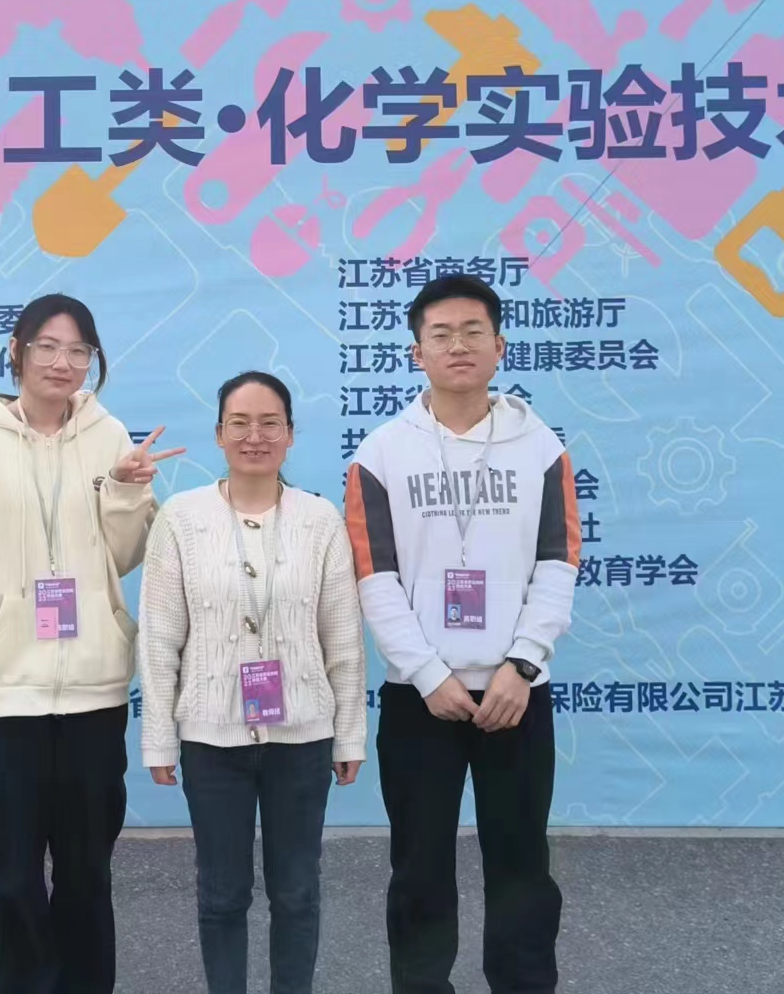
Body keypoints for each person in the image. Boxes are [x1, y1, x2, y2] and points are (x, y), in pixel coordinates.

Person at [0, 293, 184, 994]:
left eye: (78, 351)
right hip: (3, 695)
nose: (63, 363)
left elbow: (124, 554)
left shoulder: (107, 435)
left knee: (87, 874)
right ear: (17, 350)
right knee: (12, 878)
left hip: (93, 691)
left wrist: (123, 492)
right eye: (48, 347)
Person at [345, 274, 580, 994]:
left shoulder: (541, 447)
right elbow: (374, 577)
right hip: (421, 700)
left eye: (473, 331)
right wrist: (428, 674)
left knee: (521, 866)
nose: (458, 346)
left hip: (517, 694)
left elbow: (559, 561)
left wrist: (523, 664)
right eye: (441, 334)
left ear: (499, 346)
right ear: (417, 352)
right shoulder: (382, 453)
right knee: (419, 871)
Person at [138, 371, 368, 994]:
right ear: (219, 434)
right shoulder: (181, 519)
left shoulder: (320, 521)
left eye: (270, 423)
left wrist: (349, 734)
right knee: (222, 894)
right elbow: (159, 640)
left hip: (303, 738)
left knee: (297, 892)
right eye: (239, 423)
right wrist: (160, 738)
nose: (255, 436)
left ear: (290, 434)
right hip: (211, 741)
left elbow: (343, 640)